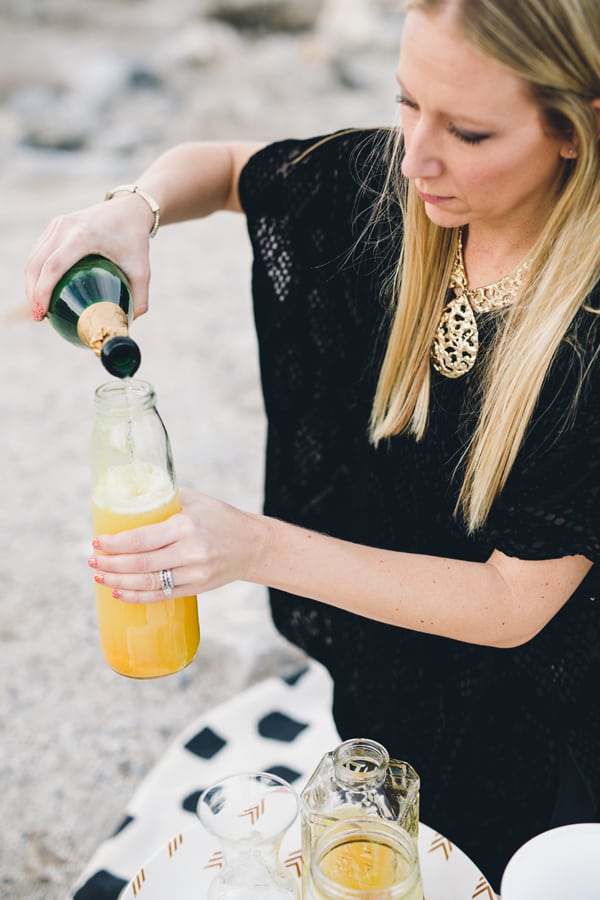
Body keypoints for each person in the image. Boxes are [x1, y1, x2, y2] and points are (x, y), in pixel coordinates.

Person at [26, 0, 599, 889]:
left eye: (471, 132)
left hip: (554, 718)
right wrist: (133, 208)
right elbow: (222, 170)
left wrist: (251, 546)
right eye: (408, 102)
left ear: (577, 130)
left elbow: (510, 606)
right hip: (394, 666)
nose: (415, 158)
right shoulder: (392, 193)